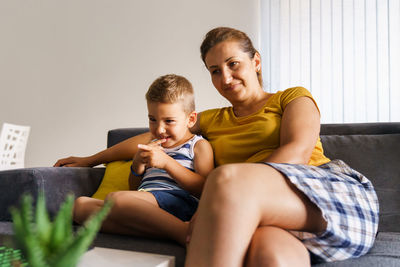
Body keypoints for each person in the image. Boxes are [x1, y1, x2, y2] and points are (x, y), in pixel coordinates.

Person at [55, 27, 379, 266]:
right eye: (214, 71)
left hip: (321, 193)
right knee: (270, 255)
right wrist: (90, 159)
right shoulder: (212, 119)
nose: (225, 78)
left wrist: (222, 194)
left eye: (233, 64)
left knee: (224, 180)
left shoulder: (291, 98)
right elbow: (160, 134)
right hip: (265, 215)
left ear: (256, 62)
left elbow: (295, 153)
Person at [70, 74, 214, 246]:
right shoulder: (152, 144)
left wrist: (167, 163)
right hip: (145, 202)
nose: (160, 129)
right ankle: (166, 231)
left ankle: (184, 234)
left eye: (169, 121)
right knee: (79, 207)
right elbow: (135, 188)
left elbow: (205, 188)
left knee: (117, 199)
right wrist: (137, 165)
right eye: (152, 119)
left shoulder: (197, 145)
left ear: (190, 119)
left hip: (178, 202)